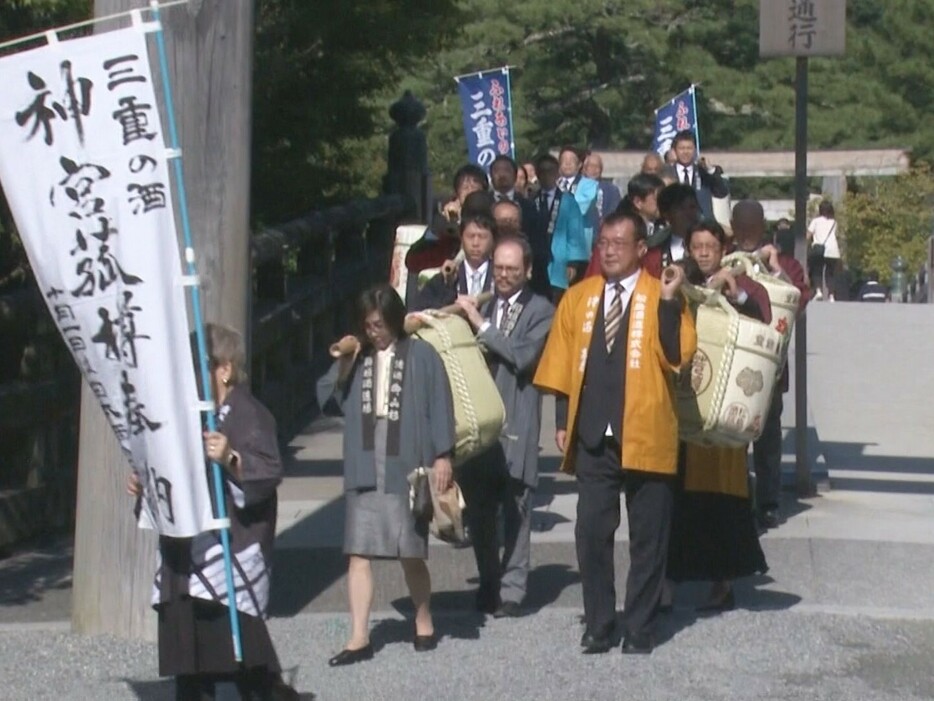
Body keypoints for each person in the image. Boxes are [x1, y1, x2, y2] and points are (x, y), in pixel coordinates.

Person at [534, 212, 696, 655]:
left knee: (648, 535)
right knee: (590, 531)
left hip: (646, 427)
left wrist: (667, 301)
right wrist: (562, 419)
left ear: (641, 248)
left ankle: (639, 625)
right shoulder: (579, 297)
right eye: (603, 242)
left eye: (618, 243)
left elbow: (678, 354)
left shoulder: (660, 292)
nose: (608, 250)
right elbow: (564, 362)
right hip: (593, 431)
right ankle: (600, 623)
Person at [127, 323, 308, 700]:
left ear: (223, 369)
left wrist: (231, 458)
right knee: (191, 665)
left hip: (230, 548)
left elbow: (268, 472)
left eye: (198, 366)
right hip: (185, 549)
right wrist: (146, 485)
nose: (190, 377)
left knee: (246, 665)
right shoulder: (185, 417)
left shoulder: (248, 413)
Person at [317, 284, 456, 666]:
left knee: (409, 549)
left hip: (406, 456)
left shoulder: (423, 355)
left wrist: (443, 455)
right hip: (365, 455)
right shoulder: (358, 355)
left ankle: (423, 619)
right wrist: (345, 360)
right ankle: (359, 635)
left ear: (394, 320)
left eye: (379, 324)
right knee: (358, 550)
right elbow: (327, 398)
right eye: (368, 325)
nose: (374, 331)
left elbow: (440, 404)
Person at [667, 220, 770, 612]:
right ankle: (670, 580)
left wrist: (736, 291)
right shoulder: (678, 278)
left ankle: (722, 581)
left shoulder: (739, 279)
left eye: (711, 245)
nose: (704, 252)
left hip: (724, 405)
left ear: (721, 247)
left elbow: (760, 323)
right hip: (688, 403)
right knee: (677, 502)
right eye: (697, 245)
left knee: (724, 502)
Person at [453, 237, 555, 617]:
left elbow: (522, 357)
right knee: (478, 510)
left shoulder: (541, 310)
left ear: (527, 270)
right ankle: (488, 580)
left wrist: (480, 326)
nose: (505, 276)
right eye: (499, 268)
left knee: (517, 508)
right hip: (479, 423)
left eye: (513, 269)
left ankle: (513, 589)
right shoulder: (484, 302)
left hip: (518, 417)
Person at [731, 200, 809, 530]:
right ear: (733, 228)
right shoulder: (727, 263)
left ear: (763, 227)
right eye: (742, 228)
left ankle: (768, 501)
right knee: (730, 437)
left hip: (769, 368)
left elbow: (800, 298)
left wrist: (775, 269)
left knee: (768, 438)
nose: (748, 235)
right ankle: (733, 498)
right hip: (732, 365)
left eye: (753, 228)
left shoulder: (787, 264)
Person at [404, 164, 487, 306]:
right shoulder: (445, 225)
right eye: (465, 187)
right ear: (456, 195)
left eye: (475, 187)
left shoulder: (492, 224)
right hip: (446, 300)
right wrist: (439, 228)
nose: (470, 192)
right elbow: (413, 261)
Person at [583, 173, 665, 278]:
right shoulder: (615, 230)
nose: (663, 203)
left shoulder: (663, 230)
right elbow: (596, 269)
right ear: (638, 202)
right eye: (657, 198)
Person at [531, 153, 589, 304]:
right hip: (533, 264)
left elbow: (575, 233)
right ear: (537, 173)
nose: (546, 175)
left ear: (557, 173)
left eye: (550, 171)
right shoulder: (531, 200)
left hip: (558, 264)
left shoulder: (568, 201)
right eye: (542, 171)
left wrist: (573, 263)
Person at [413, 212, 496, 311]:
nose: (475, 243)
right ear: (461, 239)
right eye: (470, 236)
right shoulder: (445, 277)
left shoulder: (501, 275)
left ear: (493, 240)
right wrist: (452, 297)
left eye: (482, 237)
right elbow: (418, 311)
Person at [642, 183, 700, 277]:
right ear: (666, 214)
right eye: (681, 209)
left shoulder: (712, 239)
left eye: (692, 207)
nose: (689, 213)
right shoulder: (654, 247)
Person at [670, 130, 729, 220]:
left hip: (703, 224)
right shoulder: (667, 172)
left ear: (695, 149)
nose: (686, 152)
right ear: (674, 150)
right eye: (682, 148)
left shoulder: (703, 172)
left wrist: (711, 170)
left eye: (689, 148)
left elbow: (722, 193)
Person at [489, 154, 539, 233]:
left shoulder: (528, 205)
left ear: (515, 176)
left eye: (507, 170)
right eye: (497, 170)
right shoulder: (482, 204)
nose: (502, 175)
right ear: (491, 176)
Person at [807, 200, 842, 301]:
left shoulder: (816, 221)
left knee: (817, 271)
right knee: (830, 274)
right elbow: (836, 235)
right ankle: (831, 295)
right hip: (833, 251)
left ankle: (819, 291)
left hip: (819, 249)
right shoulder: (834, 222)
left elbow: (808, 235)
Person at [582, 152, 622, 221]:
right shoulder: (577, 188)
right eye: (591, 166)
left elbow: (615, 211)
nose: (594, 169)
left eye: (597, 166)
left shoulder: (612, 190)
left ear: (601, 170)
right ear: (584, 169)